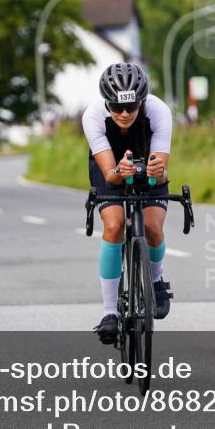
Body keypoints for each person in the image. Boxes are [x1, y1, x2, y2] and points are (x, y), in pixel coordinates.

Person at [82, 63, 173, 345]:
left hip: (148, 167)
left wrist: (158, 173)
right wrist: (120, 172)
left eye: (131, 107)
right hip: (110, 167)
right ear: (106, 103)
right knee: (115, 225)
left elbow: (162, 169)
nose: (123, 114)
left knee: (153, 226)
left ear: (142, 102)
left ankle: (156, 281)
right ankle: (110, 312)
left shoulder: (159, 112)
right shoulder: (93, 116)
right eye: (116, 107)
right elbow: (110, 174)